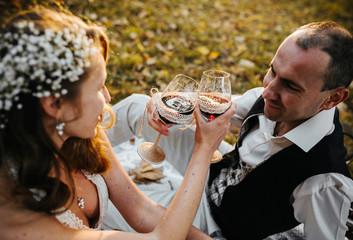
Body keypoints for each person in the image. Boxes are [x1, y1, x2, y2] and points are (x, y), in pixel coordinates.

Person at [0, 7, 237, 240]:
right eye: (97, 87)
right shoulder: (17, 216)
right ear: (54, 104)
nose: (108, 98)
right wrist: (203, 150)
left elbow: (140, 210)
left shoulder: (82, 133)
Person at [103, 21, 353, 239]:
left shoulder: (323, 182)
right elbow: (214, 108)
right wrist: (165, 112)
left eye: (290, 86)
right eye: (272, 71)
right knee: (138, 106)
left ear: (333, 99)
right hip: (214, 169)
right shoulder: (270, 97)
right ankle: (80, 144)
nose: (267, 91)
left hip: (214, 225)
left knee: (105, 203)